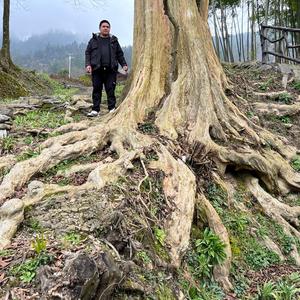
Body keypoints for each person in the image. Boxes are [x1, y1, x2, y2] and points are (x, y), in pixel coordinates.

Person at [85, 20, 128, 117]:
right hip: (97, 70)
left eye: (107, 27)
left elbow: (119, 54)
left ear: (109, 29)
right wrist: (88, 65)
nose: (105, 28)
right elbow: (88, 53)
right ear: (100, 28)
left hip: (110, 70)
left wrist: (124, 64)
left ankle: (112, 109)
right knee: (96, 89)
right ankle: (95, 110)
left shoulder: (114, 41)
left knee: (110, 89)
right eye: (103, 26)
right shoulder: (93, 40)